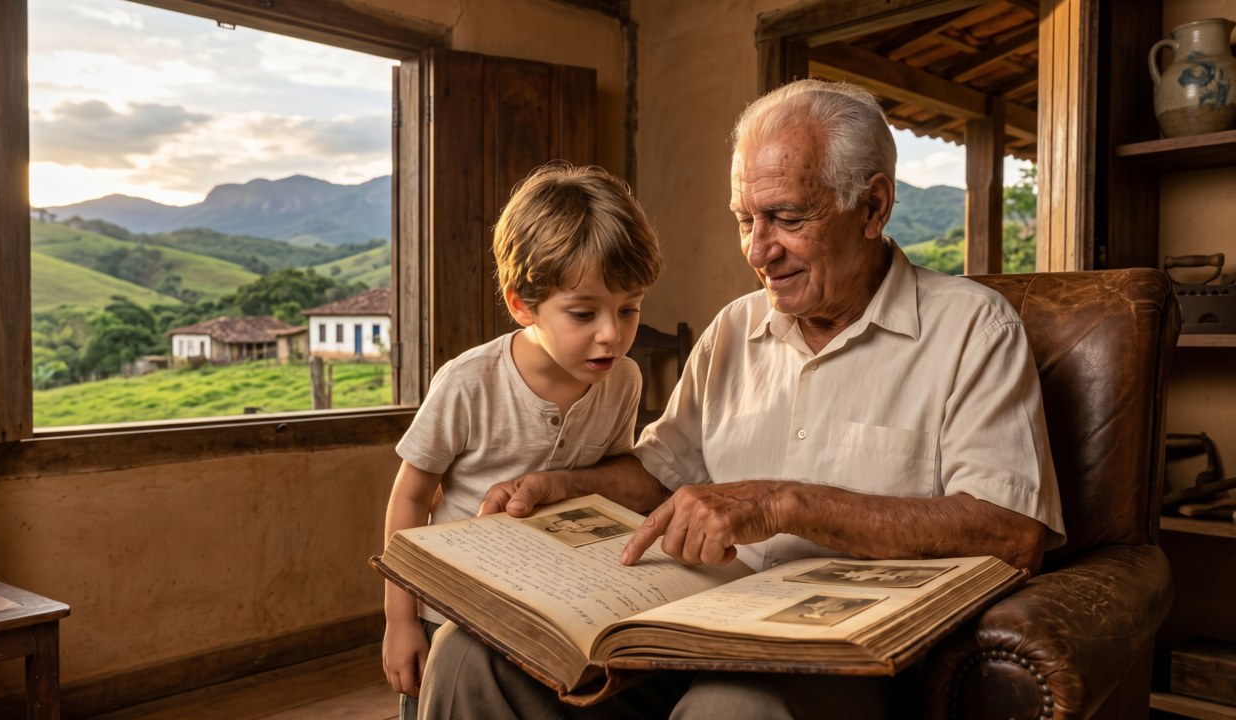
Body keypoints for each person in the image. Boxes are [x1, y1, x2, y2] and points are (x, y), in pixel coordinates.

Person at [418, 79, 1066, 719]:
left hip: (849, 653)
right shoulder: (732, 328)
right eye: (745, 221)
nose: (759, 251)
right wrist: (561, 485)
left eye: (786, 218)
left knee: (732, 708)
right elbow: (659, 474)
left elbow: (1011, 532)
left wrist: (785, 504)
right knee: (469, 655)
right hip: (696, 625)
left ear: (872, 207)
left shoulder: (973, 329)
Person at [381, 164, 663, 720]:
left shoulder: (623, 380)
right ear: (522, 305)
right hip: (452, 609)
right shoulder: (469, 383)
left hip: (557, 606)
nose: (612, 332)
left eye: (629, 308)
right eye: (584, 313)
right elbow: (411, 498)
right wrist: (401, 619)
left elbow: (608, 486)